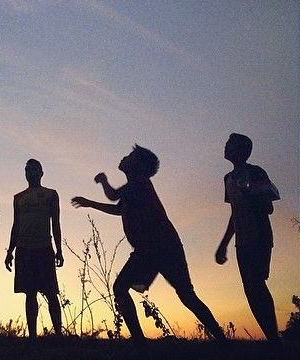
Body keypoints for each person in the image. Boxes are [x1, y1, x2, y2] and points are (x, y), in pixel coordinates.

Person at [72, 145, 226, 343]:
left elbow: (112, 195)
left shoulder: (140, 183)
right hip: (160, 246)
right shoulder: (135, 188)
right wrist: (90, 203)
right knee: (185, 294)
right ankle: (220, 337)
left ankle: (139, 341)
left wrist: (103, 180)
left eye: (130, 156)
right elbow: (119, 209)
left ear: (139, 166)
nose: (124, 157)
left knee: (123, 288)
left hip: (158, 245)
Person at [215, 133, 280, 342]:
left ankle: (274, 338)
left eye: (230, 145)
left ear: (241, 150)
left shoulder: (255, 172)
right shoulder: (228, 179)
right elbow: (234, 213)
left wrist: (251, 193)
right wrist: (224, 244)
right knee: (250, 289)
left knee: (257, 284)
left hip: (259, 236)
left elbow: (269, 207)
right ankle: (272, 338)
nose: (226, 147)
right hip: (242, 242)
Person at [5, 159, 63, 338]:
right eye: (28, 170)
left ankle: (59, 334)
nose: (31, 173)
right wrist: (9, 251)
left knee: (51, 292)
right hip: (23, 249)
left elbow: (56, 223)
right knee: (29, 294)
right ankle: (32, 336)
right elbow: (16, 225)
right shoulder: (18, 198)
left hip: (44, 248)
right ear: (25, 173)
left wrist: (59, 250)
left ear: (41, 172)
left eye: (35, 170)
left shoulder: (51, 194)